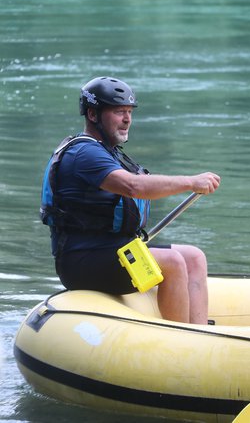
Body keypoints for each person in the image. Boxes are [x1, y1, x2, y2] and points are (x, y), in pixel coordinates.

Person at [40, 76, 221, 325]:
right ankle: (181, 340)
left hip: (112, 252)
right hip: (82, 261)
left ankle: (200, 333)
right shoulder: (84, 153)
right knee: (173, 262)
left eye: (129, 112)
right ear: (93, 115)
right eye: (118, 112)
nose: (127, 119)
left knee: (194, 256)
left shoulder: (108, 152)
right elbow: (133, 186)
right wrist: (190, 182)